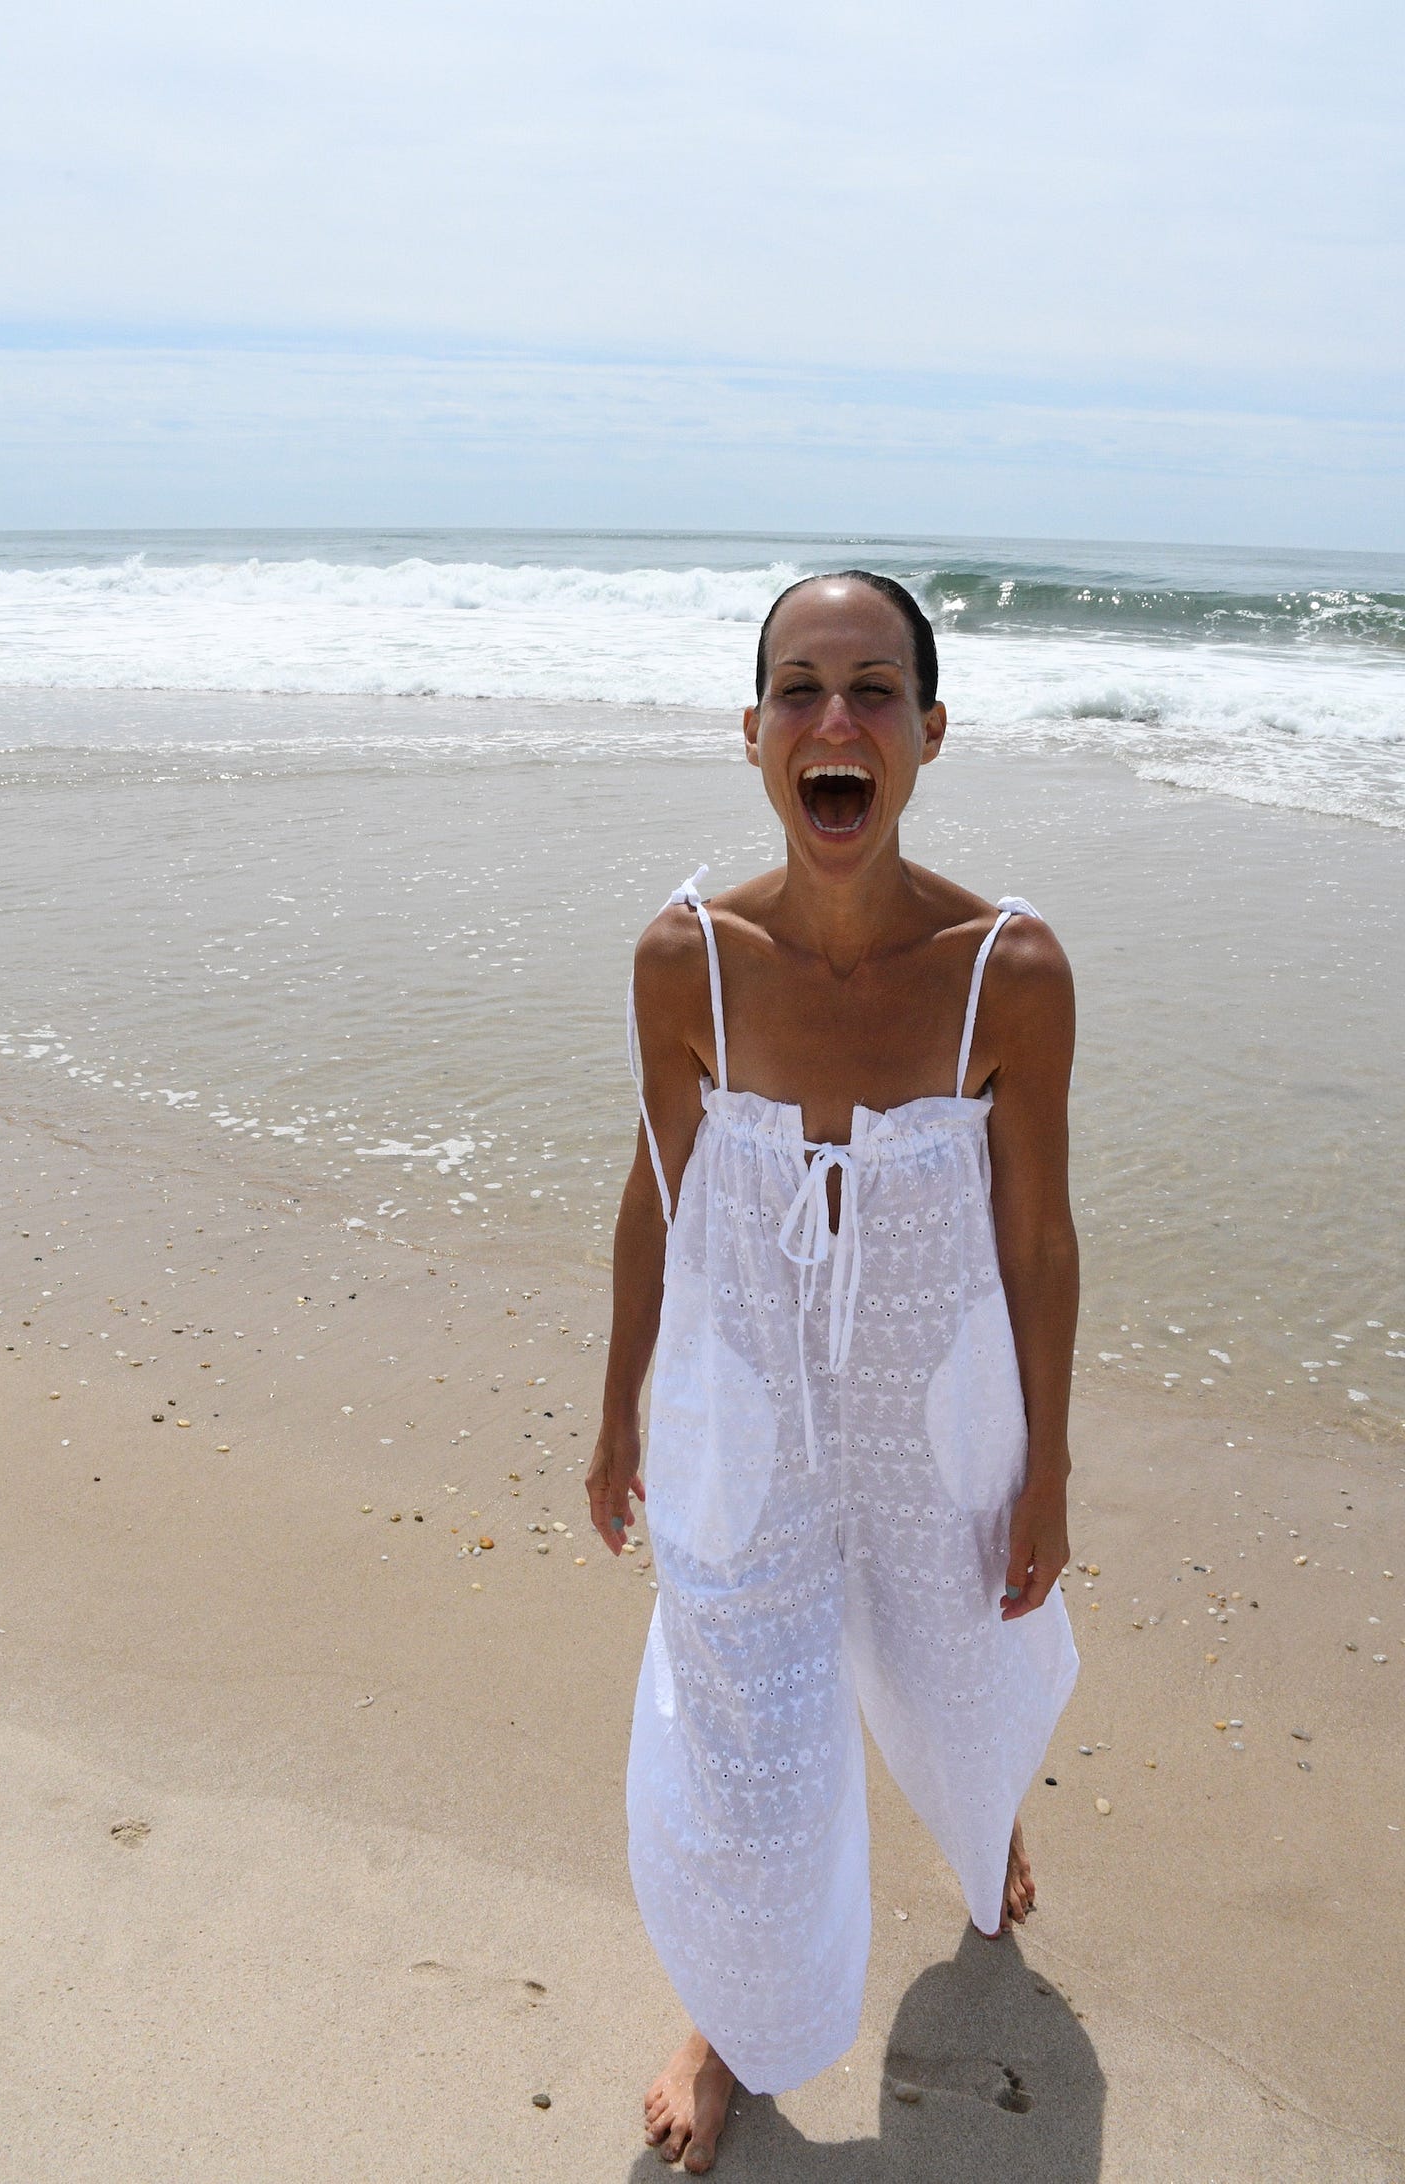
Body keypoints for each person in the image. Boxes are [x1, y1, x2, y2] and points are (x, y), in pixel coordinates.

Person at [586, 571, 1080, 2173]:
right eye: (800, 689)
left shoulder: (1009, 969)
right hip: (746, 1408)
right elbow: (655, 1191)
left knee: (967, 1683)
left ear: (930, 731)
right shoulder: (690, 959)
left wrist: (1050, 1468)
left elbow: (1038, 1238)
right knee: (747, 1760)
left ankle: (984, 1820)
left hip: (941, 1415)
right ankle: (726, 2019)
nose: (836, 719)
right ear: (753, 735)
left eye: (874, 690)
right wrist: (616, 1408)